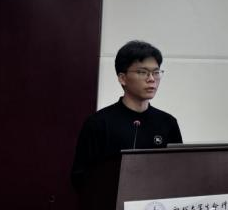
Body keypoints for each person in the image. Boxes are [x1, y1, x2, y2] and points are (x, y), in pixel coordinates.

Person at [71, 40, 182, 188]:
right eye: (142, 72)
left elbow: (179, 172)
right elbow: (79, 177)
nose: (151, 79)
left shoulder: (168, 123)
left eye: (156, 72)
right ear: (122, 78)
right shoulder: (98, 123)